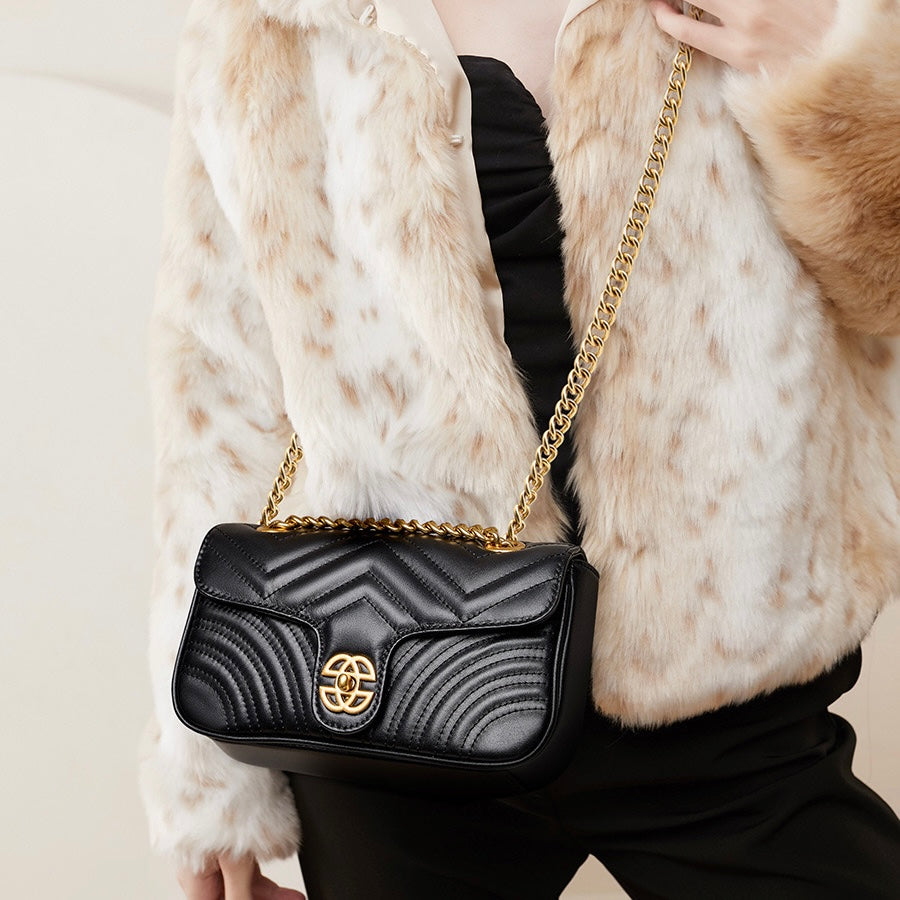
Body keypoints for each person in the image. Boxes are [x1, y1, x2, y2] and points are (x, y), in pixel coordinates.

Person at [139, 0, 900, 897]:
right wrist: (205, 778)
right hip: (389, 693)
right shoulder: (267, 21)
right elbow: (218, 394)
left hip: (732, 696)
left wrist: (836, 71)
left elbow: (882, 297)